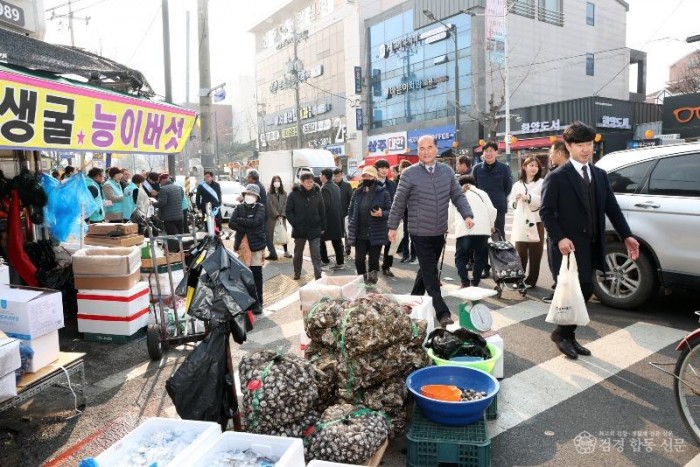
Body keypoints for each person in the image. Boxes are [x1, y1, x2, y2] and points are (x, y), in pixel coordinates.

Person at [540, 121, 639, 359]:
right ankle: (563, 334)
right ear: (568, 146)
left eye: (589, 145)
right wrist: (560, 237)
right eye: (580, 145)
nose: (586, 150)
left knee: (585, 289)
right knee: (579, 289)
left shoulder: (599, 175)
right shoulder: (557, 177)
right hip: (568, 248)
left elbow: (612, 208)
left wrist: (627, 235)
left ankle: (567, 335)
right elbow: (546, 212)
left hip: (593, 243)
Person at [388, 135, 474, 327]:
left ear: (436, 149)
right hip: (419, 231)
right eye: (421, 148)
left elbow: (457, 195)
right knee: (431, 273)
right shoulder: (409, 174)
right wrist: (392, 226)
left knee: (426, 270)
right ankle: (442, 312)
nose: (425, 152)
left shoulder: (447, 172)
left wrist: (467, 214)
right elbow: (399, 202)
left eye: (429, 147)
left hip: (439, 231)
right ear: (417, 151)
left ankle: (412, 302)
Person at [473, 142, 513, 278]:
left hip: (498, 208)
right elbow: (473, 188)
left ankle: (501, 267)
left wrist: (498, 198)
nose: (488, 153)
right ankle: (485, 267)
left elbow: (507, 187)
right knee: (481, 239)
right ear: (483, 153)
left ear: (497, 153)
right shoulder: (477, 169)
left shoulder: (504, 169)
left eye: (491, 151)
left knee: (498, 238)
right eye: (486, 151)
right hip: (481, 209)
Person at [347, 166, 391, 284]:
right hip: (360, 232)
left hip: (376, 232)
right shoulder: (357, 192)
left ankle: (372, 277)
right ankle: (362, 276)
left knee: (373, 259)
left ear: (375, 177)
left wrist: (382, 213)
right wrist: (351, 221)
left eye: (369, 176)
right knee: (359, 259)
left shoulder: (383, 193)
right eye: (364, 176)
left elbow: (390, 211)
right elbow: (351, 209)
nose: (366, 178)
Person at [454, 175, 497, 288]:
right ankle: (475, 282)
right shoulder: (482, 193)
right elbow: (492, 210)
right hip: (482, 230)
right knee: (480, 257)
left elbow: (449, 212)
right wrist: (491, 226)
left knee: (461, 257)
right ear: (474, 183)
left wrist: (446, 229)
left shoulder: (457, 193)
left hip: (464, 229)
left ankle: (464, 281)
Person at [229, 184, 266, 314]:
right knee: (244, 275)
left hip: (256, 245)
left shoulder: (261, 208)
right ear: (244, 195)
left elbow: (257, 222)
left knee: (256, 275)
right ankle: (248, 302)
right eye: (248, 194)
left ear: (257, 197)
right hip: (242, 247)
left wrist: (241, 220)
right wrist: (245, 227)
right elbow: (231, 223)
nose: (250, 197)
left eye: (253, 195)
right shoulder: (239, 208)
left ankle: (259, 302)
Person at [509, 156, 545, 288]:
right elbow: (511, 202)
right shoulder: (517, 185)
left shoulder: (542, 182)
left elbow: (544, 200)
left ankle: (531, 281)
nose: (534, 168)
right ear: (524, 167)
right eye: (531, 165)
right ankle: (519, 278)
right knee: (520, 253)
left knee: (536, 253)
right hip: (521, 222)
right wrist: (516, 201)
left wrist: (528, 197)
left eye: (536, 166)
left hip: (536, 222)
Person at [543, 141, 571, 303]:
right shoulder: (570, 171)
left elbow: (547, 208)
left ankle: (561, 293)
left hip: (558, 226)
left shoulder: (556, 174)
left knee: (557, 262)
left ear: (560, 153)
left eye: (552, 153)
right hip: (565, 226)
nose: (550, 156)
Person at [286, 172, 326, 280]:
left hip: (315, 228)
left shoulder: (317, 193)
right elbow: (288, 211)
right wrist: (295, 223)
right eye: (307, 182)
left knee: (316, 254)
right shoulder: (293, 194)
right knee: (298, 253)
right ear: (301, 182)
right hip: (300, 229)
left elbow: (322, 210)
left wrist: (323, 227)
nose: (310, 184)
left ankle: (318, 275)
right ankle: (297, 273)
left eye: (311, 181)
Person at [374, 159, 397, 276]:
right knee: (376, 245)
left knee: (390, 243)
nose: (384, 170)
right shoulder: (371, 183)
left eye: (386, 168)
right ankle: (374, 268)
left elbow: (397, 202)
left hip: (390, 218)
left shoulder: (392, 184)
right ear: (376, 169)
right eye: (381, 167)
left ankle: (386, 266)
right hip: (375, 219)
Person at [319, 168, 345, 270]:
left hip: (328, 220)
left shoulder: (324, 188)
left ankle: (325, 260)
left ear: (324, 176)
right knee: (337, 241)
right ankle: (340, 262)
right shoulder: (336, 186)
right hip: (337, 218)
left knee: (321, 240)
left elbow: (324, 206)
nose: (320, 176)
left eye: (321, 174)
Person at [153, 173, 185, 252]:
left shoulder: (163, 189)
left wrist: (152, 203)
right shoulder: (179, 187)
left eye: (160, 182)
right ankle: (181, 251)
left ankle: (173, 253)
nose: (160, 184)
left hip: (169, 217)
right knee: (180, 236)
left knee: (172, 237)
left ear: (163, 180)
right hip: (180, 216)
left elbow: (162, 203)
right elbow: (181, 199)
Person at [246, 169, 273, 259]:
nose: (247, 178)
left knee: (263, 234)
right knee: (263, 233)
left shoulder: (256, 187)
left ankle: (270, 252)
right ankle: (270, 252)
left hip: (259, 213)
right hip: (262, 213)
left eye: (248, 177)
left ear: (251, 177)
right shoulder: (259, 185)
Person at [395, 159, 416, 263]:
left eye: (401, 168)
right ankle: (405, 254)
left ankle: (413, 255)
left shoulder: (414, 179)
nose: (399, 170)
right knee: (405, 234)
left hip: (414, 210)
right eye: (399, 169)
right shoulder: (399, 180)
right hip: (405, 211)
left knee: (413, 234)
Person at [266, 175, 293, 259]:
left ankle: (286, 251)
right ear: (272, 182)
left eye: (278, 181)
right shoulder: (269, 193)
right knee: (271, 235)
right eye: (275, 181)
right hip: (272, 218)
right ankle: (273, 253)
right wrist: (277, 215)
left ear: (280, 182)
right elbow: (269, 205)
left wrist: (282, 215)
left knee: (283, 234)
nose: (276, 182)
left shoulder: (284, 193)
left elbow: (286, 204)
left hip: (282, 217)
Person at [333, 168, 353, 256]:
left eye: (339, 176)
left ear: (342, 175)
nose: (337, 177)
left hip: (345, 212)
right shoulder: (331, 185)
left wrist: (350, 211)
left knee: (346, 232)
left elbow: (351, 199)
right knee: (337, 232)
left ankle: (347, 248)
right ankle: (340, 249)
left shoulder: (347, 185)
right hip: (335, 214)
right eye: (336, 176)